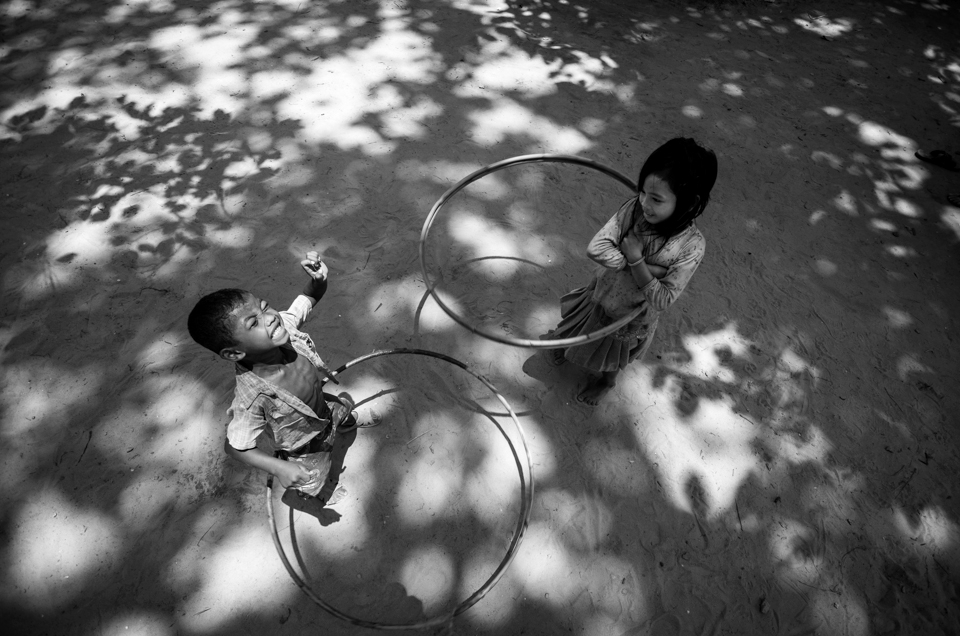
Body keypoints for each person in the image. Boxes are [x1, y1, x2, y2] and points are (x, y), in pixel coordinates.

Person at [549, 137, 718, 405]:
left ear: (687, 202)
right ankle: (566, 345)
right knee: (581, 323)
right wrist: (647, 267)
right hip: (602, 291)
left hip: (632, 318)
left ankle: (606, 382)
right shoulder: (635, 209)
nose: (644, 202)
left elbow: (662, 299)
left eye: (656, 199)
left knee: (614, 354)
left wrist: (637, 260)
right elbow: (596, 248)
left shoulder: (692, 247)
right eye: (642, 192)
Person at [187, 251, 360, 503]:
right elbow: (235, 447)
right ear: (234, 352)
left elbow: (307, 300)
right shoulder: (253, 397)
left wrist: (318, 281)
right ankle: (317, 489)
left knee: (340, 409)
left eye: (264, 306)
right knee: (312, 472)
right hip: (304, 442)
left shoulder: (284, 327)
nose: (269, 317)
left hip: (322, 405)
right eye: (253, 323)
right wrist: (280, 468)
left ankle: (345, 422)